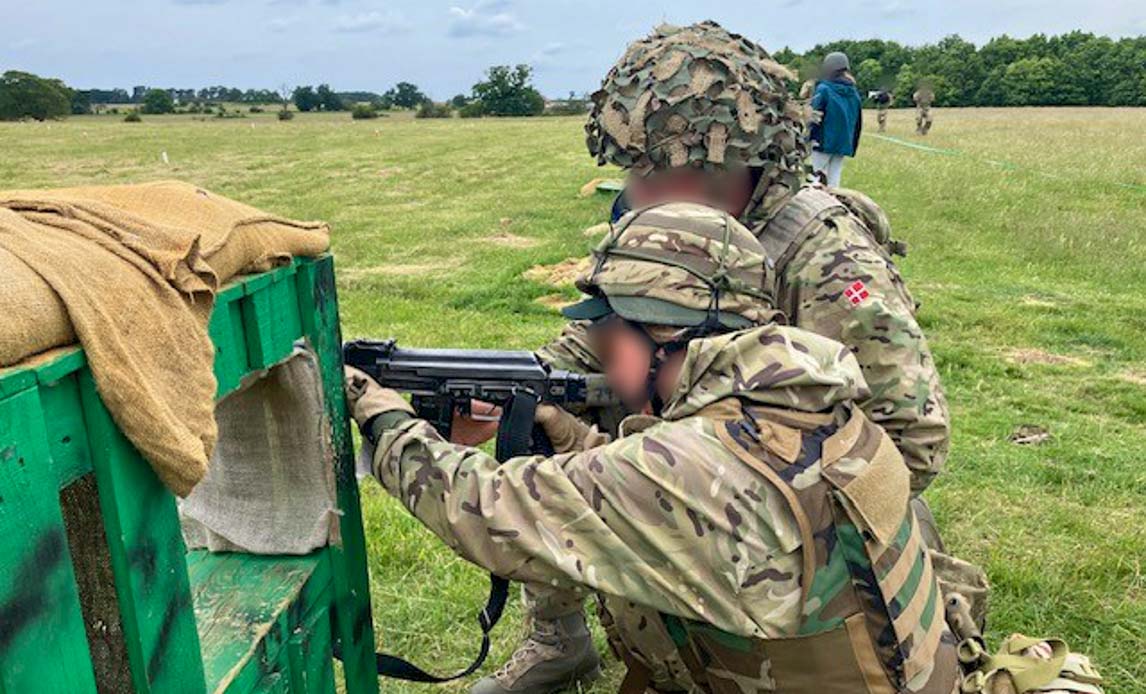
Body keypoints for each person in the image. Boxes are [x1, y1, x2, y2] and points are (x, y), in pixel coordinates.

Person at [504, 21, 962, 693]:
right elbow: (598, 337)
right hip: (687, 447)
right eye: (636, 170)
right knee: (545, 425)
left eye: (667, 173)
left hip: (796, 517)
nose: (642, 193)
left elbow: (912, 441)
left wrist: (723, 484)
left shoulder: (823, 254)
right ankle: (558, 636)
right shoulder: (652, 210)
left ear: (741, 160)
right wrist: (525, 390)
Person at [347, 204, 962, 694]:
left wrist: (382, 417)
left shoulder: (696, 465)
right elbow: (692, 503)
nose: (606, 368)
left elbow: (487, 508)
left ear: (666, 337)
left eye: (610, 343)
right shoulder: (814, 400)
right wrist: (573, 438)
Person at [809, 51, 863, 187]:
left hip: (822, 141)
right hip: (843, 143)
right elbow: (858, 122)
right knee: (834, 180)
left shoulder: (824, 89)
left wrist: (807, 137)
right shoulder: (854, 93)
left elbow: (814, 116)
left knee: (816, 178)